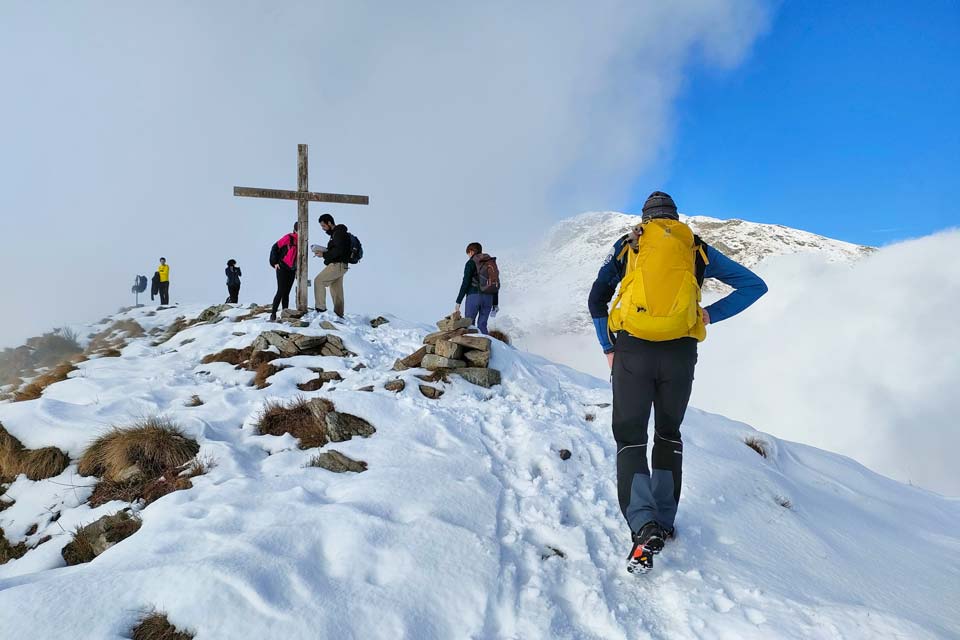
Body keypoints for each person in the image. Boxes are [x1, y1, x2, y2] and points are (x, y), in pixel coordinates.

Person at [588, 191, 767, 574]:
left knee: (631, 437)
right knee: (668, 434)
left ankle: (643, 524)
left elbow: (596, 300)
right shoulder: (696, 249)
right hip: (680, 353)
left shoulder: (629, 245)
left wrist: (608, 346)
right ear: (674, 218)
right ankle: (664, 524)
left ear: (646, 218)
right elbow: (755, 286)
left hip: (633, 351)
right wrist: (708, 315)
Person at [454, 242, 500, 334]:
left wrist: (459, 300)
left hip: (473, 296)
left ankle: (471, 347)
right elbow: (495, 283)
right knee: (482, 325)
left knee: (469, 324)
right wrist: (495, 303)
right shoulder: (490, 263)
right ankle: (486, 347)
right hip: (489, 298)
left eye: (468, 253)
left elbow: (466, 282)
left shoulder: (471, 263)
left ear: (471, 252)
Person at [312, 213, 351, 318]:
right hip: (342, 266)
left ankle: (320, 309)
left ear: (329, 223)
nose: (323, 229)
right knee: (336, 289)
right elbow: (338, 249)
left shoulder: (338, 233)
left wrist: (324, 254)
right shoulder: (339, 233)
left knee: (319, 281)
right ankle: (339, 315)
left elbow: (339, 251)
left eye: (323, 226)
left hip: (337, 265)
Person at [269, 222, 298, 322]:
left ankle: (285, 315)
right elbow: (275, 247)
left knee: (286, 293)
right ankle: (273, 315)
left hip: (292, 269)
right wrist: (274, 263)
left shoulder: (303, 240)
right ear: (295, 230)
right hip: (282, 267)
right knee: (281, 291)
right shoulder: (288, 237)